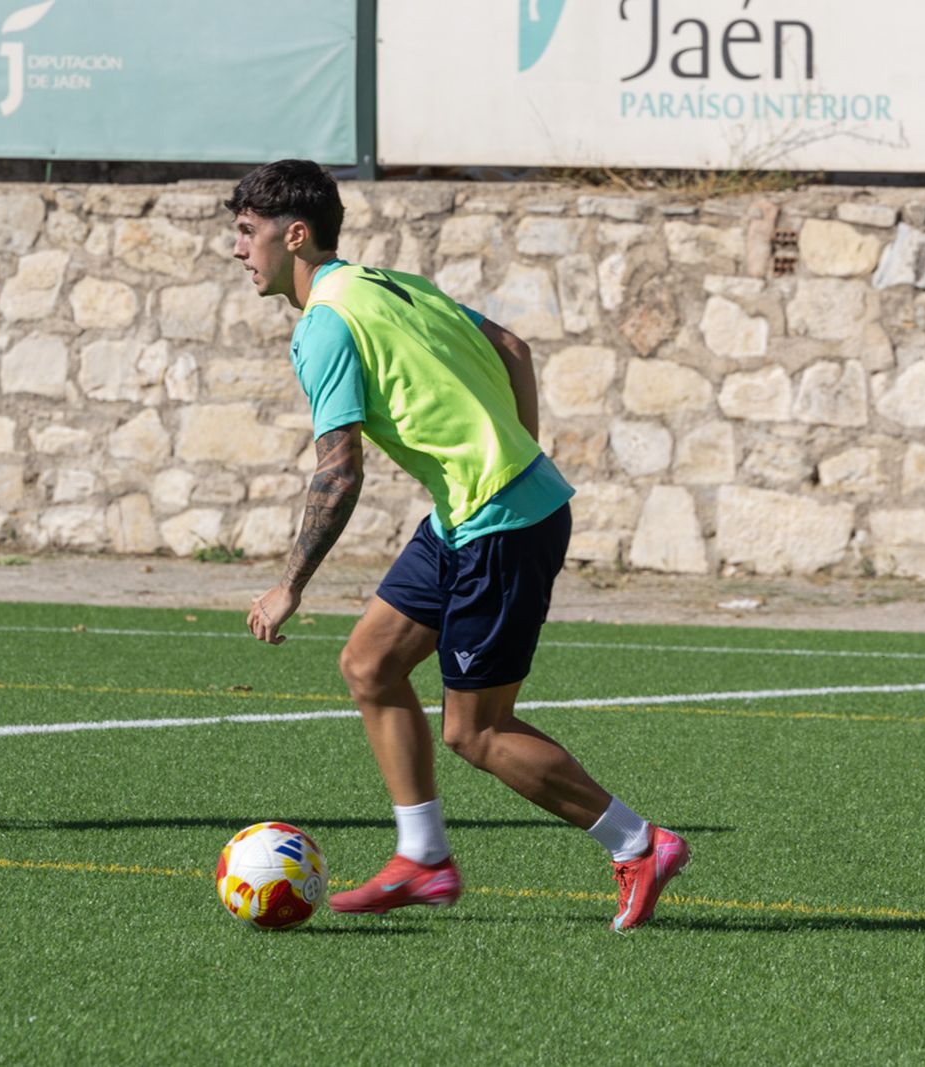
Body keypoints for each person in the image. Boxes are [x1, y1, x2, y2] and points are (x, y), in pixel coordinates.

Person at [226, 159, 689, 931]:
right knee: (370, 663)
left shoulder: (324, 326)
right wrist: (515, 455)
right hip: (472, 512)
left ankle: (638, 842)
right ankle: (424, 858)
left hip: (498, 524)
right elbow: (514, 347)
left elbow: (338, 474)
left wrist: (290, 586)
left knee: (476, 731)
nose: (238, 250)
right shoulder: (387, 283)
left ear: (295, 235)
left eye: (247, 233)